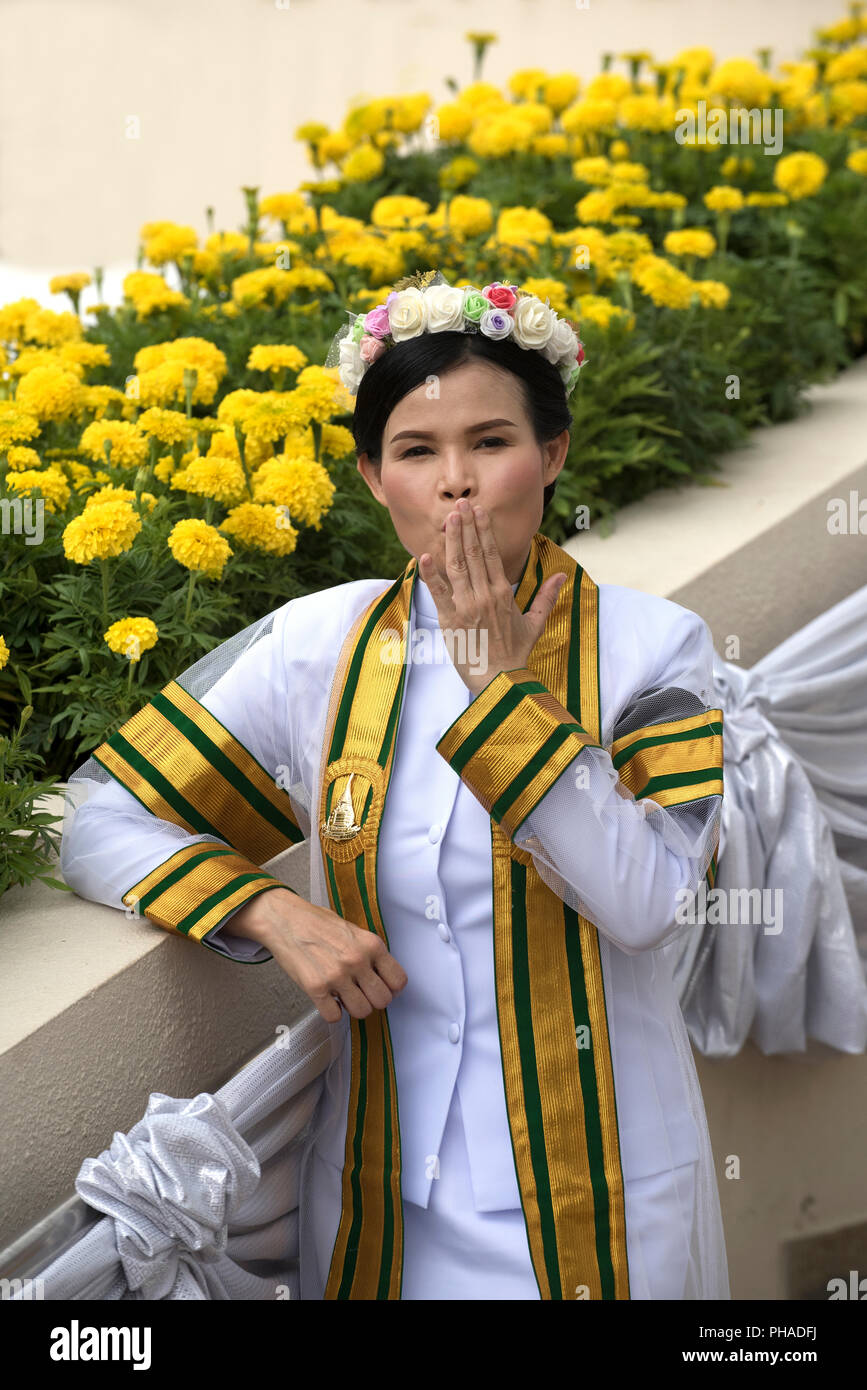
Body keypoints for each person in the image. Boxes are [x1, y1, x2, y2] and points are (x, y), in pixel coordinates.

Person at [60, 269, 729, 1299]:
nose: (456, 482)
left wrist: (500, 688)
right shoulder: (314, 645)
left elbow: (646, 903)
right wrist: (270, 908)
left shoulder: (649, 649)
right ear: (374, 476)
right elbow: (100, 816)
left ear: (552, 454)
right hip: (379, 1203)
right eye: (418, 451)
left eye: (491, 443)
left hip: (606, 1202)